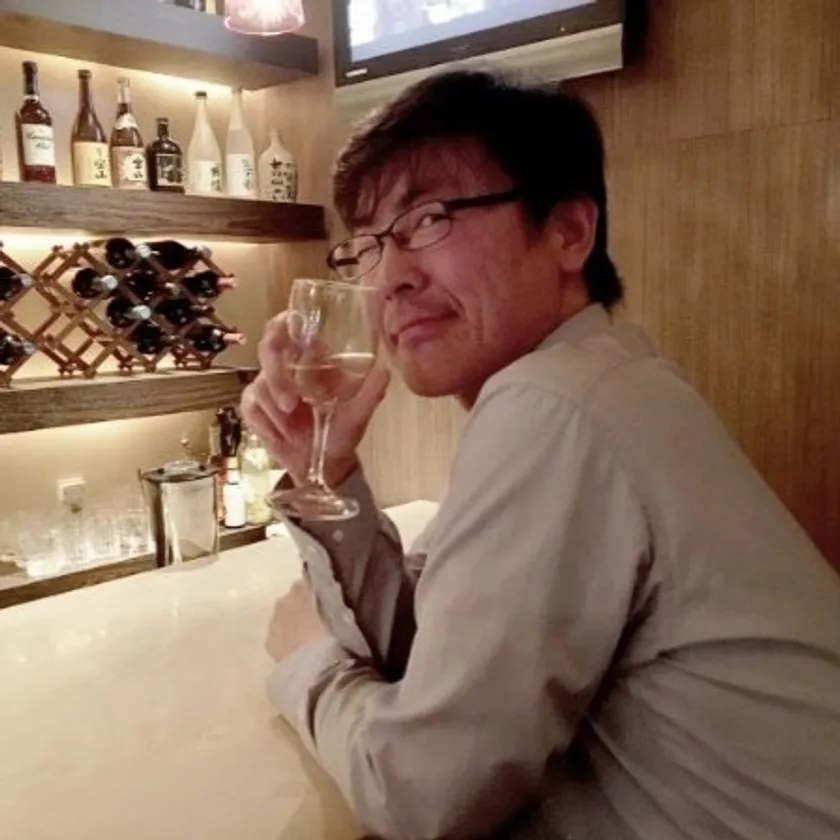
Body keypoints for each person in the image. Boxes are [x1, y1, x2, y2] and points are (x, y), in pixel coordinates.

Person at [241, 69, 840, 840]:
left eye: (428, 220)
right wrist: (326, 471)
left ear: (569, 232)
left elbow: (424, 795)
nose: (388, 279)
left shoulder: (557, 405)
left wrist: (309, 665)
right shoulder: (601, 384)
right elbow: (432, 651)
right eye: (368, 244)